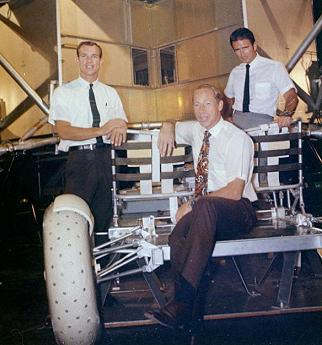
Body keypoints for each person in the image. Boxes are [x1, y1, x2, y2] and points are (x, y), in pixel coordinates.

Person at [145, 84, 257, 329]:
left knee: (204, 207)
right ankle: (187, 316)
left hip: (238, 211)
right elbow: (173, 125)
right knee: (178, 236)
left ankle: (181, 302)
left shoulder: (238, 138)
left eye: (208, 103)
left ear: (220, 105)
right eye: (197, 104)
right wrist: (167, 124)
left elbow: (235, 191)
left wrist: (194, 204)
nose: (202, 110)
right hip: (207, 213)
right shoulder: (197, 130)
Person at [49, 41, 128, 234]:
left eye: (94, 56)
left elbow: (121, 122)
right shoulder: (63, 93)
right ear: (77, 60)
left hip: (106, 159)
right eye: (84, 56)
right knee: (77, 219)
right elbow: (63, 131)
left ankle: (103, 263)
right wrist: (101, 130)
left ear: (101, 61)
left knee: (105, 220)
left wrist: (121, 127)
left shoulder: (110, 92)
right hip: (80, 162)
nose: (89, 61)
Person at [224, 27, 298, 129]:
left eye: (245, 48)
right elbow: (229, 97)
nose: (242, 54)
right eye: (237, 50)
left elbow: (291, 96)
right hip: (237, 124)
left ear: (254, 46)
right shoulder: (235, 72)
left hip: (263, 124)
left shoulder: (274, 67)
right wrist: (227, 116)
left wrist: (286, 114)